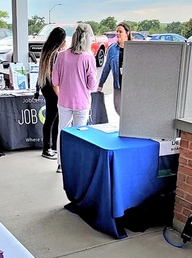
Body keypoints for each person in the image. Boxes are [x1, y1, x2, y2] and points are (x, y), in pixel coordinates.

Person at [52, 23, 97, 173]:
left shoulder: (61, 55)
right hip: (82, 102)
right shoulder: (88, 57)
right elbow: (92, 85)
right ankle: (77, 164)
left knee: (62, 131)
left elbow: (55, 81)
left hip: (64, 101)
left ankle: (60, 163)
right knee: (80, 134)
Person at [34, 26, 66, 160]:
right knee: (52, 118)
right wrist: (59, 94)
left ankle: (52, 146)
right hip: (51, 88)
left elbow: (41, 73)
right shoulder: (55, 54)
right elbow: (54, 77)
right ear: (60, 41)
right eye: (64, 40)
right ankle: (48, 148)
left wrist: (37, 88)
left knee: (53, 118)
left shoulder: (46, 51)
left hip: (44, 86)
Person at [98, 22, 130, 115]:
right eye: (117, 31)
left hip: (130, 86)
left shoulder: (134, 48)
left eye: (120, 31)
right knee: (118, 108)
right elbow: (106, 68)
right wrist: (100, 84)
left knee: (129, 111)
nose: (118, 34)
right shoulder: (112, 49)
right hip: (118, 85)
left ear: (127, 33)